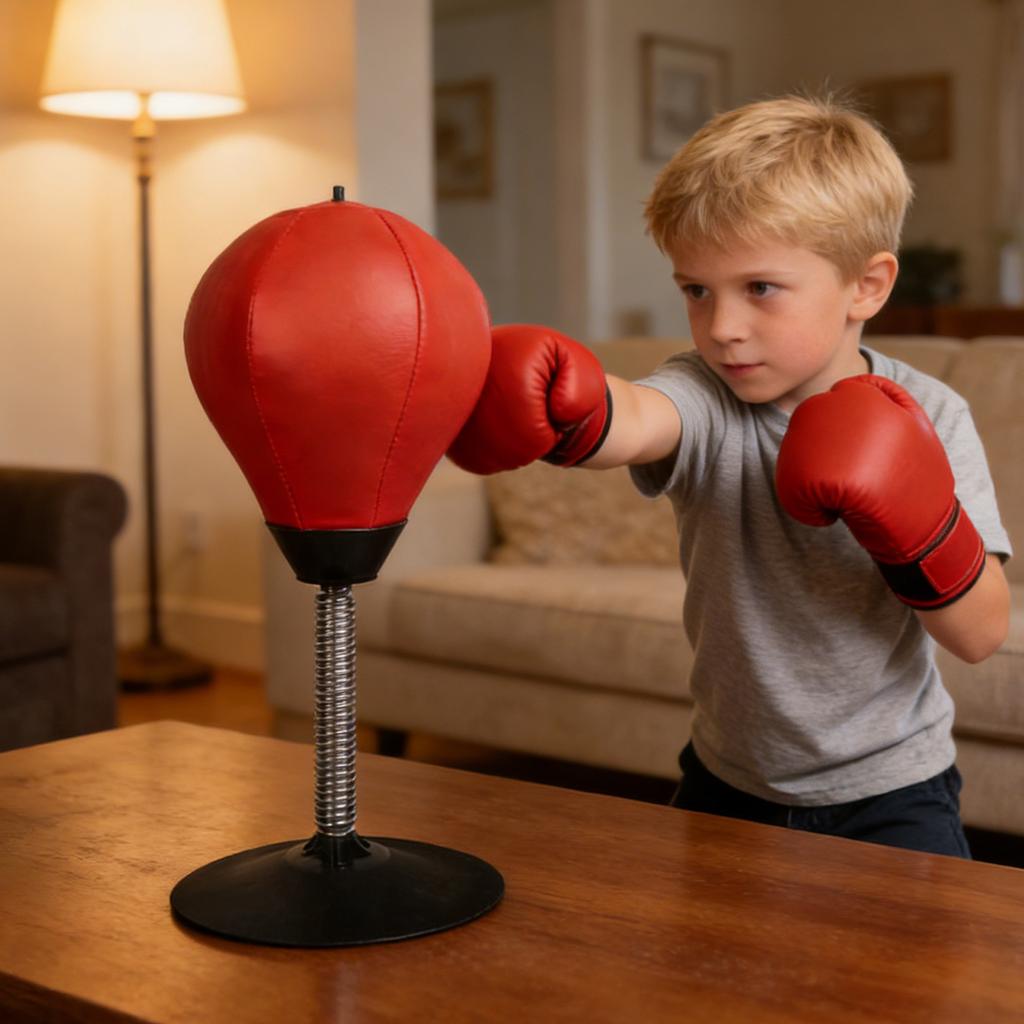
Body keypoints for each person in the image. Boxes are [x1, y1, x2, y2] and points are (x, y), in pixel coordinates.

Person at [447, 92, 1012, 859]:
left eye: (760, 288)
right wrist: (567, 406)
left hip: (895, 787)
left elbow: (980, 634)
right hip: (727, 776)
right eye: (696, 290)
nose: (722, 328)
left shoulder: (933, 414)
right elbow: (639, 416)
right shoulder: (707, 393)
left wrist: (917, 524)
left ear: (867, 286)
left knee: (927, 948)